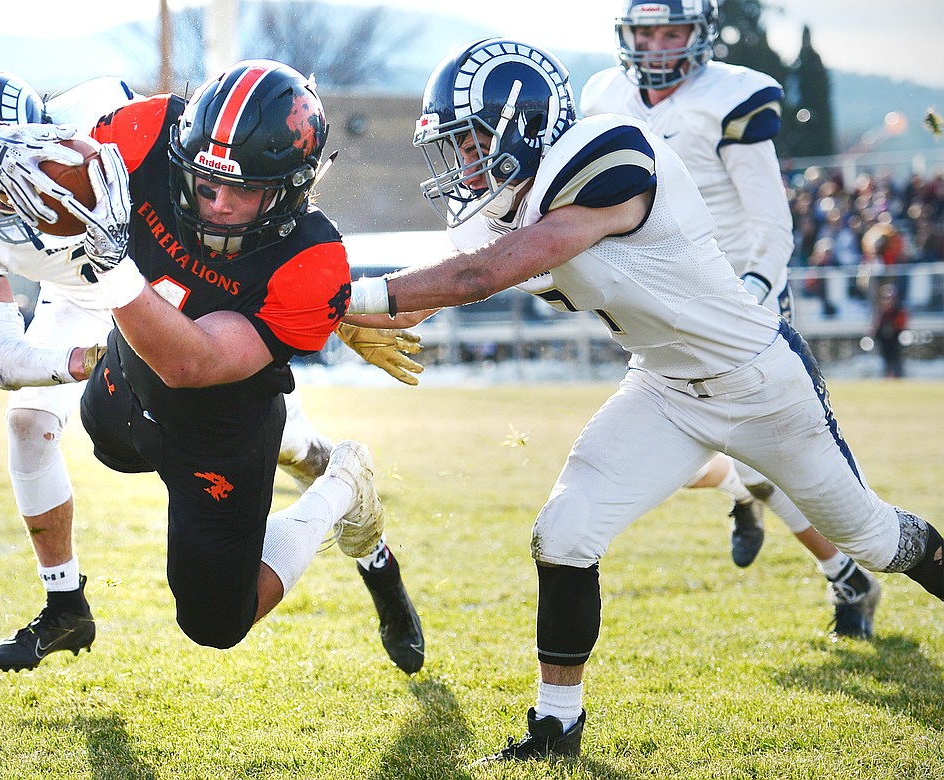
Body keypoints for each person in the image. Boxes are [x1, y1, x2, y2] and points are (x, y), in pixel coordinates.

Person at [347, 37, 944, 762]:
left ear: (525, 125)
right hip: (662, 387)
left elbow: (482, 276)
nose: (463, 164)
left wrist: (360, 294)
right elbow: (420, 300)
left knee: (877, 540)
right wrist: (331, 314)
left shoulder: (610, 152)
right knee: (563, 531)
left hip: (757, 381)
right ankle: (555, 728)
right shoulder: (496, 209)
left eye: (473, 142)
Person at [0, 65, 424, 673]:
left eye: (24, 173)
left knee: (224, 601)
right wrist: (79, 359)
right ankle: (64, 604)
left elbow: (221, 254)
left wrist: (336, 308)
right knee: (76, 429)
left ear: (52, 136)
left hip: (171, 319)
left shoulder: (106, 122)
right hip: (104, 294)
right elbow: (2, 357)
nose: (12, 199)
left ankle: (342, 487)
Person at [579, 0, 879, 637]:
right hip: (662, 305)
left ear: (700, 34)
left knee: (773, 465)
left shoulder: (731, 96)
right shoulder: (603, 95)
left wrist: (752, 296)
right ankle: (751, 500)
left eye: (672, 31)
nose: (658, 47)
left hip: (741, 299)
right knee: (684, 463)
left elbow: (771, 222)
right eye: (646, 32)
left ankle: (847, 576)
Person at [870, 283, 908, 378]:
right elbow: (877, 325)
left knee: (896, 359)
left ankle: (898, 375)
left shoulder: (899, 310)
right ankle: (887, 375)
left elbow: (901, 324)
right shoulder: (881, 311)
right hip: (884, 339)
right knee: (885, 359)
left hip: (895, 338)